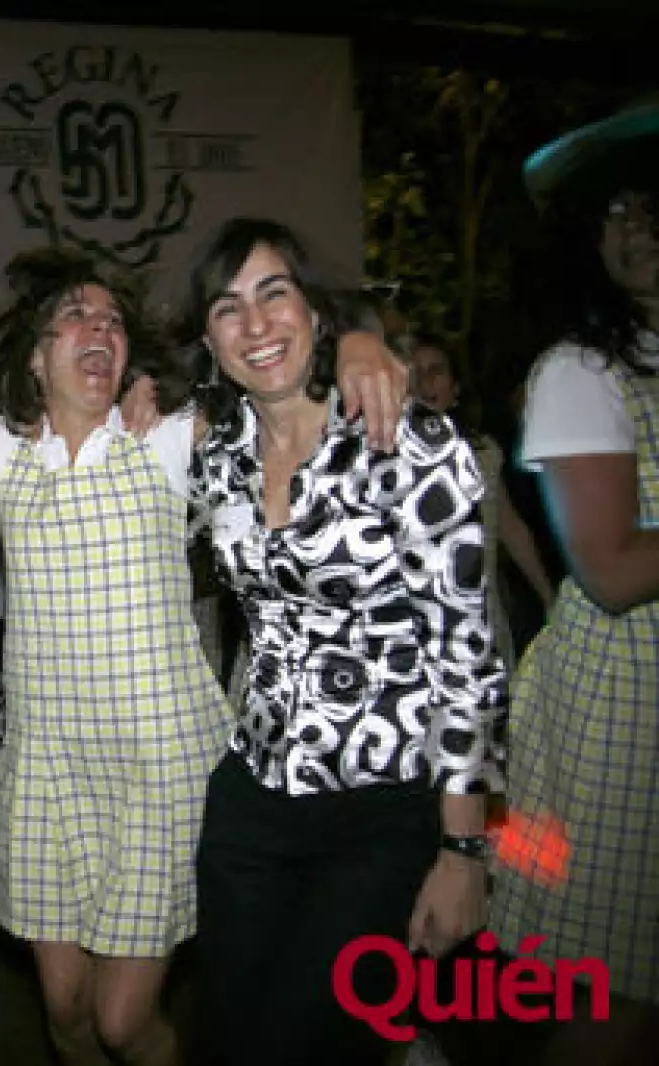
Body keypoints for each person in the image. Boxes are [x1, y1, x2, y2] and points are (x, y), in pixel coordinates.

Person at [0, 247, 230, 1065]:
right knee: (67, 1010)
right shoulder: (6, 455)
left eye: (112, 321)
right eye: (76, 318)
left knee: (123, 1023)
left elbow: (276, 385)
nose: (99, 328)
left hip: (158, 766)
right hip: (49, 766)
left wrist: (357, 343)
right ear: (38, 359)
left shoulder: (165, 444)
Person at [184, 218, 506, 1065]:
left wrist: (462, 848)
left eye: (274, 294)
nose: (255, 327)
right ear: (209, 341)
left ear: (315, 312)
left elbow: (466, 659)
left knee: (305, 1044)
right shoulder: (218, 457)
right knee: (223, 1039)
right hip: (249, 799)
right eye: (227, 308)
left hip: (383, 808)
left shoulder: (411, 448)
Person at [490, 100, 659, 1065]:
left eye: (650, 204)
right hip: (614, 715)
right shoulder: (579, 372)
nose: (631, 229)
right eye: (613, 213)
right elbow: (610, 567)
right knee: (610, 990)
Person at [408, 336, 557, 666]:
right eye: (414, 373)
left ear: (456, 387)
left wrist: (548, 596)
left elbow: (510, 527)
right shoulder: (387, 461)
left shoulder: (483, 453)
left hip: (484, 617)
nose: (424, 382)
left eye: (436, 371)